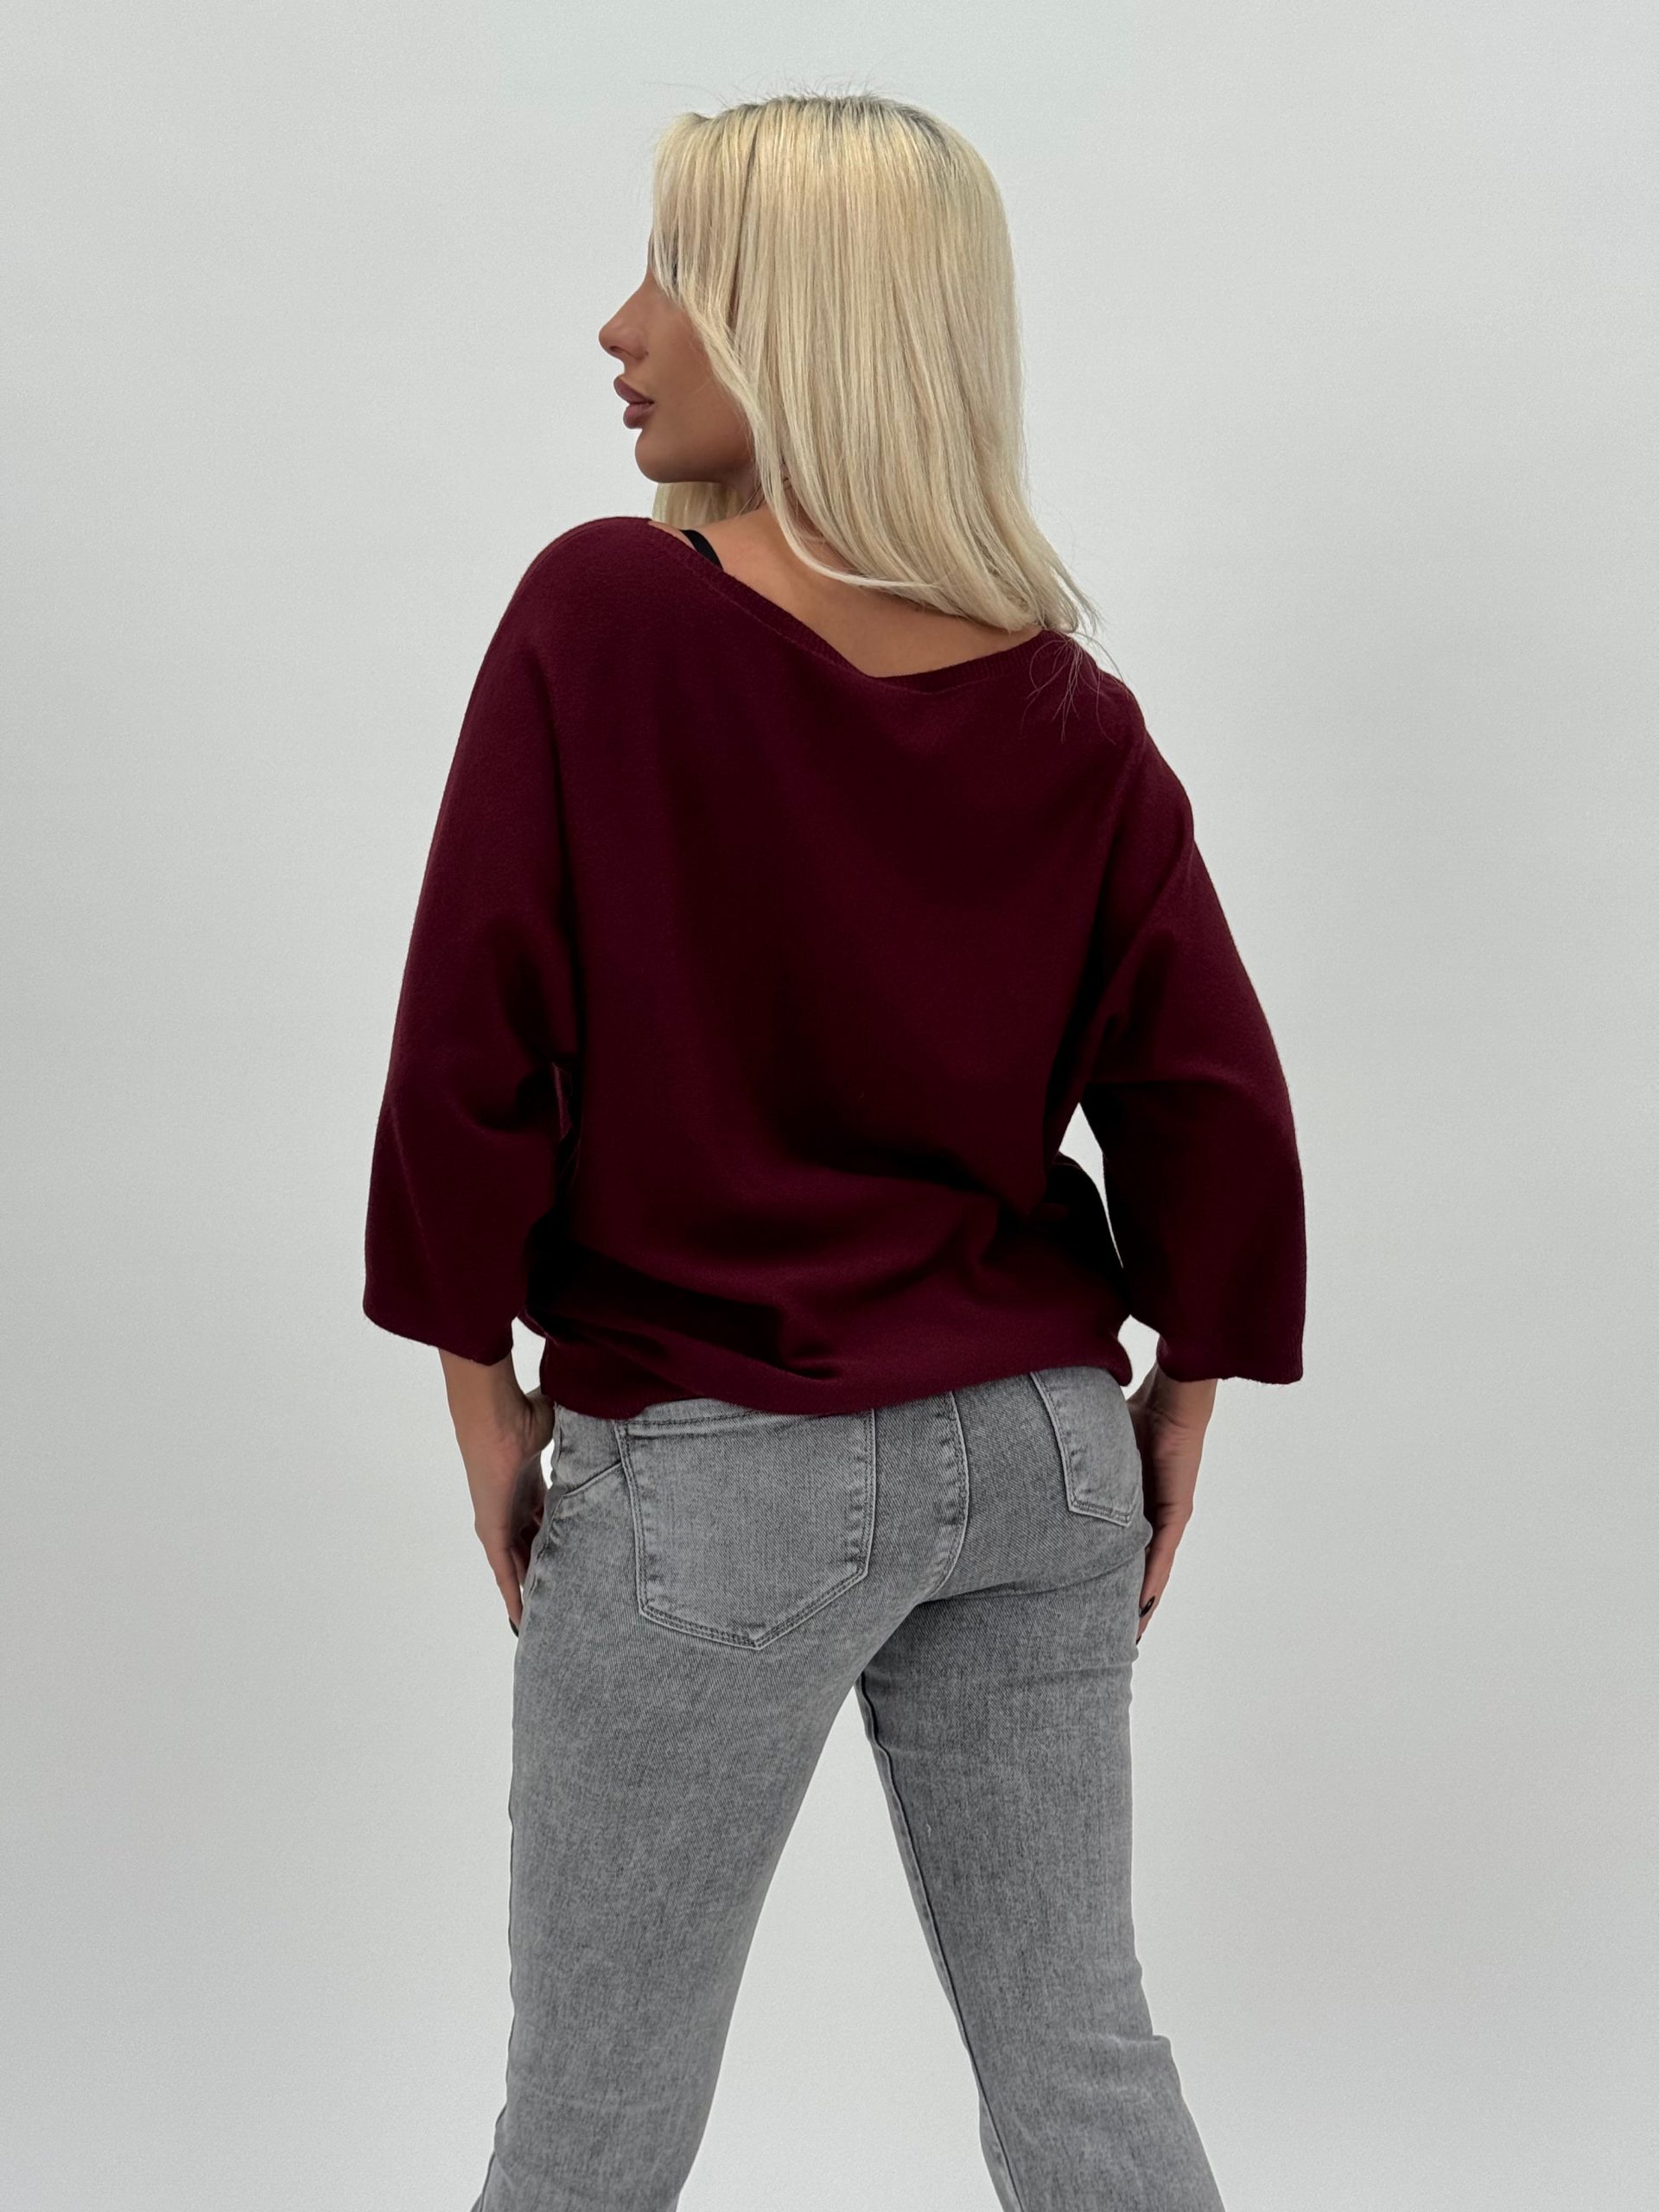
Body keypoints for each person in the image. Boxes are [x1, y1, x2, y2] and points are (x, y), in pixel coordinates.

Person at [362, 89, 1306, 2212]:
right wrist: (1188, 1389)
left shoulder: (604, 613)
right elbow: (1212, 1093)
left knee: (592, 2117)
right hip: (1042, 1451)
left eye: (678, 277)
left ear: (802, 321)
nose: (620, 327)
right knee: (1082, 2069)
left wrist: (476, 1385)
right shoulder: (1068, 710)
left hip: (719, 1463)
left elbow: (469, 1032)